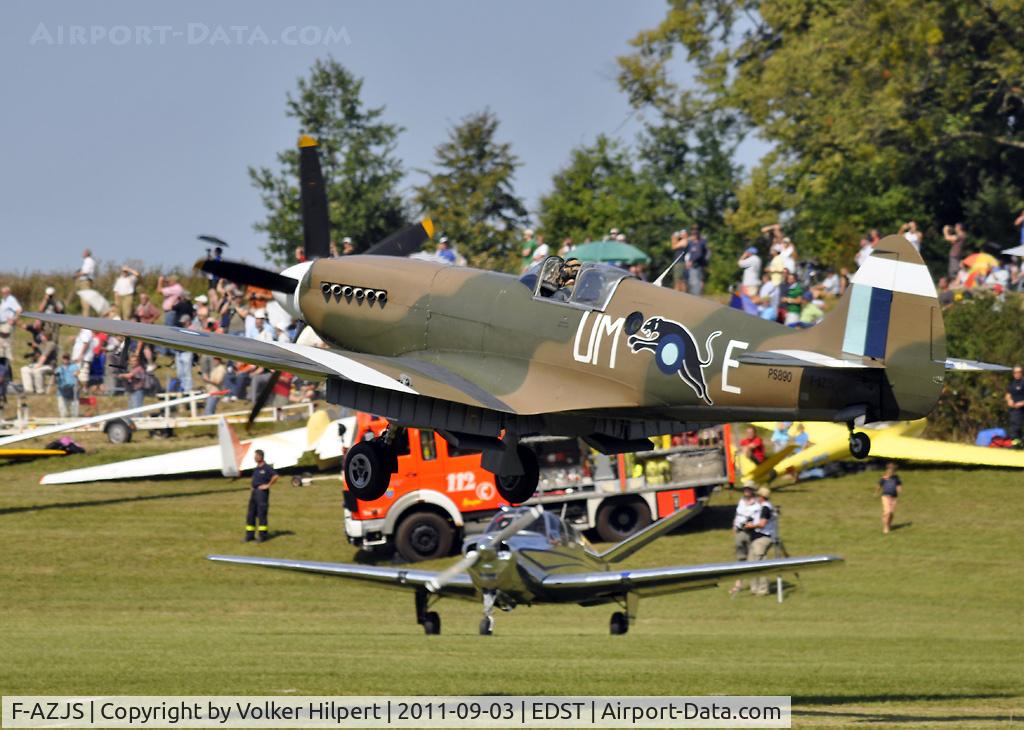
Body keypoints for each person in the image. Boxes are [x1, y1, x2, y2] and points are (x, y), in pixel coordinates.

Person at [745, 486, 778, 595]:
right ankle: (754, 588)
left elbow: (762, 524)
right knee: (751, 563)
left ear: (762, 497)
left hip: (762, 538)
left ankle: (763, 589)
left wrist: (751, 526)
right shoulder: (763, 507)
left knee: (760, 564)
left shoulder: (765, 508)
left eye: (758, 495)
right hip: (757, 538)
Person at [730, 486, 761, 596]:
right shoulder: (741, 502)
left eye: (748, 489)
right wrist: (734, 526)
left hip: (751, 533)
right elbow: (738, 515)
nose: (746, 491)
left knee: (752, 560)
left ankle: (755, 586)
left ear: (753, 491)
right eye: (745, 489)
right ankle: (738, 584)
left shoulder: (757, 504)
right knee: (740, 559)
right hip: (740, 532)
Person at [245, 449, 278, 542]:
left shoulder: (267, 468)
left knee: (261, 514)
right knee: (250, 514)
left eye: (256, 456)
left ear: (260, 456)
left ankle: (263, 536)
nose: (254, 458)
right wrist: (252, 486)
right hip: (254, 493)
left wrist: (268, 485)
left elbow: (275, 476)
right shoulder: (256, 468)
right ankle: (249, 535)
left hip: (262, 494)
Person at [875, 462, 902, 534]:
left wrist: (899, 490)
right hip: (885, 496)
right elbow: (879, 485)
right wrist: (876, 492)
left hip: (894, 497)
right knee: (887, 512)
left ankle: (888, 524)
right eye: (890, 469)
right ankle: (885, 527)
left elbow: (898, 485)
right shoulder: (883, 478)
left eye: (893, 470)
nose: (891, 471)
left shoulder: (896, 478)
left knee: (891, 513)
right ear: (887, 470)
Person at [54, 353, 80, 418]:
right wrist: (55, 376)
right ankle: (63, 421)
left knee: (74, 410)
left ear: (69, 359)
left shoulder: (74, 367)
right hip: (62, 392)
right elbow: (56, 377)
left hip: (73, 391)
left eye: (67, 358)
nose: (66, 360)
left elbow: (78, 372)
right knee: (63, 410)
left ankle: (74, 420)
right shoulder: (59, 368)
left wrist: (76, 373)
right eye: (64, 358)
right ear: (62, 359)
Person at [0, 285, 22, 362]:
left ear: (8, 292)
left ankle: (8, 361)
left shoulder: (11, 300)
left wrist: (14, 319)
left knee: (6, 343)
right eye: (2, 292)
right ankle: (2, 361)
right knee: (1, 343)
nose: (2, 294)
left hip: (7, 324)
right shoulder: (4, 300)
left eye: (4, 292)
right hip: (2, 324)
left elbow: (19, 309)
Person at [685, 225, 708, 296]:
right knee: (691, 282)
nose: (694, 231)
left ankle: (699, 295)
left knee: (699, 281)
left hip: (699, 265)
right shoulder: (690, 242)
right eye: (693, 230)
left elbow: (699, 253)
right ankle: (694, 295)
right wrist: (687, 261)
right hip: (691, 265)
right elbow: (687, 252)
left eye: (696, 230)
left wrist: (691, 261)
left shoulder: (702, 241)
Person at [74, 248, 97, 316]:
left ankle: (86, 320)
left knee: (85, 302)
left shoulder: (88, 260)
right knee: (84, 302)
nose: (82, 254)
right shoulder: (87, 261)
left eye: (84, 252)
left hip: (85, 281)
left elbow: (86, 272)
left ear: (87, 254)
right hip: (84, 281)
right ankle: (85, 318)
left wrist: (77, 275)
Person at [1005, 364, 1024, 441]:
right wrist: (1009, 400)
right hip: (1015, 410)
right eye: (1015, 372)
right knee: (1015, 429)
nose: (1017, 374)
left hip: (1022, 407)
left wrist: (1022, 403)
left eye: (1019, 372)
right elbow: (1008, 394)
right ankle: (1016, 445)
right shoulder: (1011, 383)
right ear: (1013, 374)